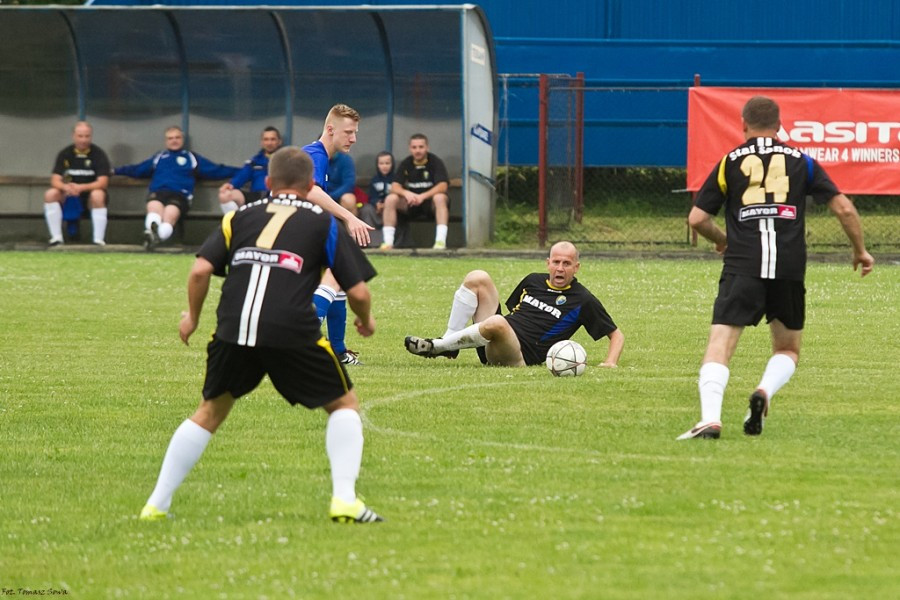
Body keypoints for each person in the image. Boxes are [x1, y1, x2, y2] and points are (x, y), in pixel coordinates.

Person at [139, 146, 383, 524]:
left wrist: (192, 318)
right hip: (291, 330)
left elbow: (200, 270)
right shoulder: (324, 222)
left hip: (233, 328)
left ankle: (156, 504)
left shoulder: (238, 216)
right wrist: (365, 321)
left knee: (209, 412)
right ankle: (345, 500)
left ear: (267, 183)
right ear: (311, 184)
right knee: (344, 406)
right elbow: (359, 292)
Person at [677, 96, 874, 441]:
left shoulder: (729, 163)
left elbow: (697, 219)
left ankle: (710, 419)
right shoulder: (803, 162)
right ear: (779, 125)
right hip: (789, 267)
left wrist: (723, 239)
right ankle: (765, 390)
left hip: (743, 264)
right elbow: (843, 209)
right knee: (787, 349)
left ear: (743, 124)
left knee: (720, 345)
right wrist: (860, 251)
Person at [404, 241, 625, 368]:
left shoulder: (583, 299)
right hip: (494, 338)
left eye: (567, 264)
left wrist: (610, 362)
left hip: (519, 356)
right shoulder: (533, 280)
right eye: (556, 262)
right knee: (478, 277)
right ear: (548, 263)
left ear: (576, 267)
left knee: (498, 323)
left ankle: (437, 347)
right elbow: (514, 314)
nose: (560, 268)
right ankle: (449, 344)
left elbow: (616, 334)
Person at [305, 104, 369, 366]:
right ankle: (304, 342)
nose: (353, 138)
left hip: (298, 227)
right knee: (335, 276)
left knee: (337, 277)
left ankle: (339, 351)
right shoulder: (315, 155)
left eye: (355, 133)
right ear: (330, 130)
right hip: (289, 230)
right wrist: (350, 217)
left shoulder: (322, 157)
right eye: (348, 132)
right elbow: (311, 192)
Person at [114, 126, 238, 249]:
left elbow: (216, 170)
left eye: (177, 137)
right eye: (170, 138)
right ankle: (153, 235)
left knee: (170, 213)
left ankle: (154, 236)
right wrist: (115, 171)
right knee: (154, 207)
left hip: (180, 194)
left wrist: (242, 172)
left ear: (182, 139)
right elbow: (138, 169)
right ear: (166, 141)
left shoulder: (191, 158)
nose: (174, 140)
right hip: (159, 192)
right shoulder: (159, 157)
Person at [43, 121, 111, 246]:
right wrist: (65, 187)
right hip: (69, 195)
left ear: (91, 136)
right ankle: (56, 238)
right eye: (80, 136)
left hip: (89, 196)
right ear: (73, 136)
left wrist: (81, 187)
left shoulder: (98, 154)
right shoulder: (65, 153)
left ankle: (98, 240)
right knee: (50, 194)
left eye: (87, 136)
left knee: (98, 194)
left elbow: (103, 182)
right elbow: (55, 179)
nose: (83, 140)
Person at [380, 133, 450, 250]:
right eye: (414, 147)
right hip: (411, 204)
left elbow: (443, 185)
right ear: (410, 148)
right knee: (391, 198)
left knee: (440, 197)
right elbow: (395, 187)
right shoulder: (406, 163)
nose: (418, 150)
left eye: (421, 147)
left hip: (430, 205)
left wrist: (423, 196)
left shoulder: (435, 162)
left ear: (427, 147)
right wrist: (407, 194)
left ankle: (440, 242)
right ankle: (388, 242)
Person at [217, 126, 283, 213]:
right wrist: (230, 185)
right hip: (257, 197)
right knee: (225, 195)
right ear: (262, 142)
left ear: (279, 141)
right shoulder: (254, 162)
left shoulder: (286, 160)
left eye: (272, 139)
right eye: (266, 139)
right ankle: (235, 224)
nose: (269, 143)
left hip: (278, 198)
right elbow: (240, 177)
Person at [326, 150, 358, 216]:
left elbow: (349, 184)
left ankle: (349, 226)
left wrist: (331, 196)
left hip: (339, 195)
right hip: (321, 194)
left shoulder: (345, 160)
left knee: (349, 200)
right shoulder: (315, 159)